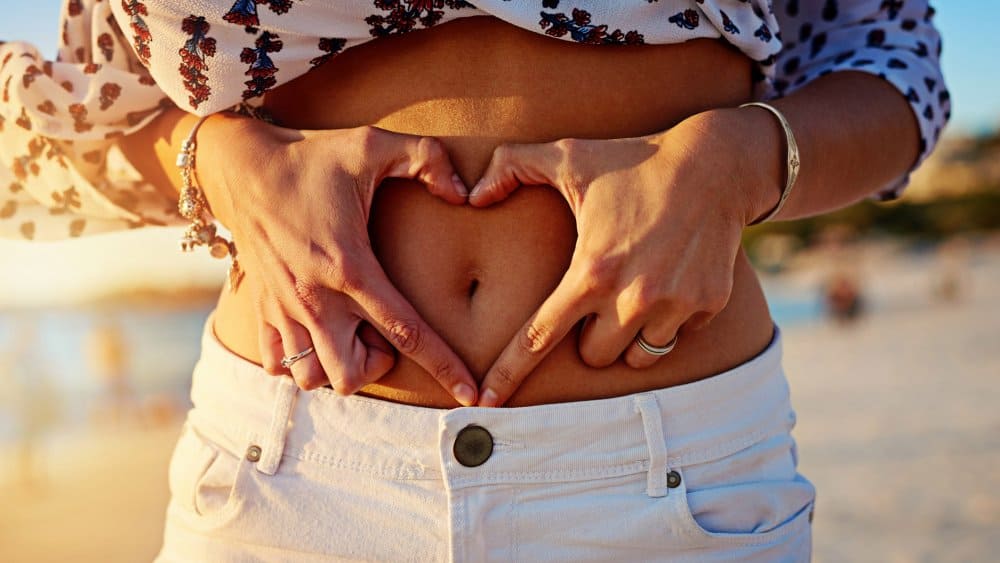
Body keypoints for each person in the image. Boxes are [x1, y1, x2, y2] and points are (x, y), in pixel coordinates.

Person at [1, 1, 948, 560]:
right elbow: (50, 120)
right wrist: (211, 160)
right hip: (289, 471)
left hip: (675, 473)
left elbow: (894, 62)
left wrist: (746, 161)